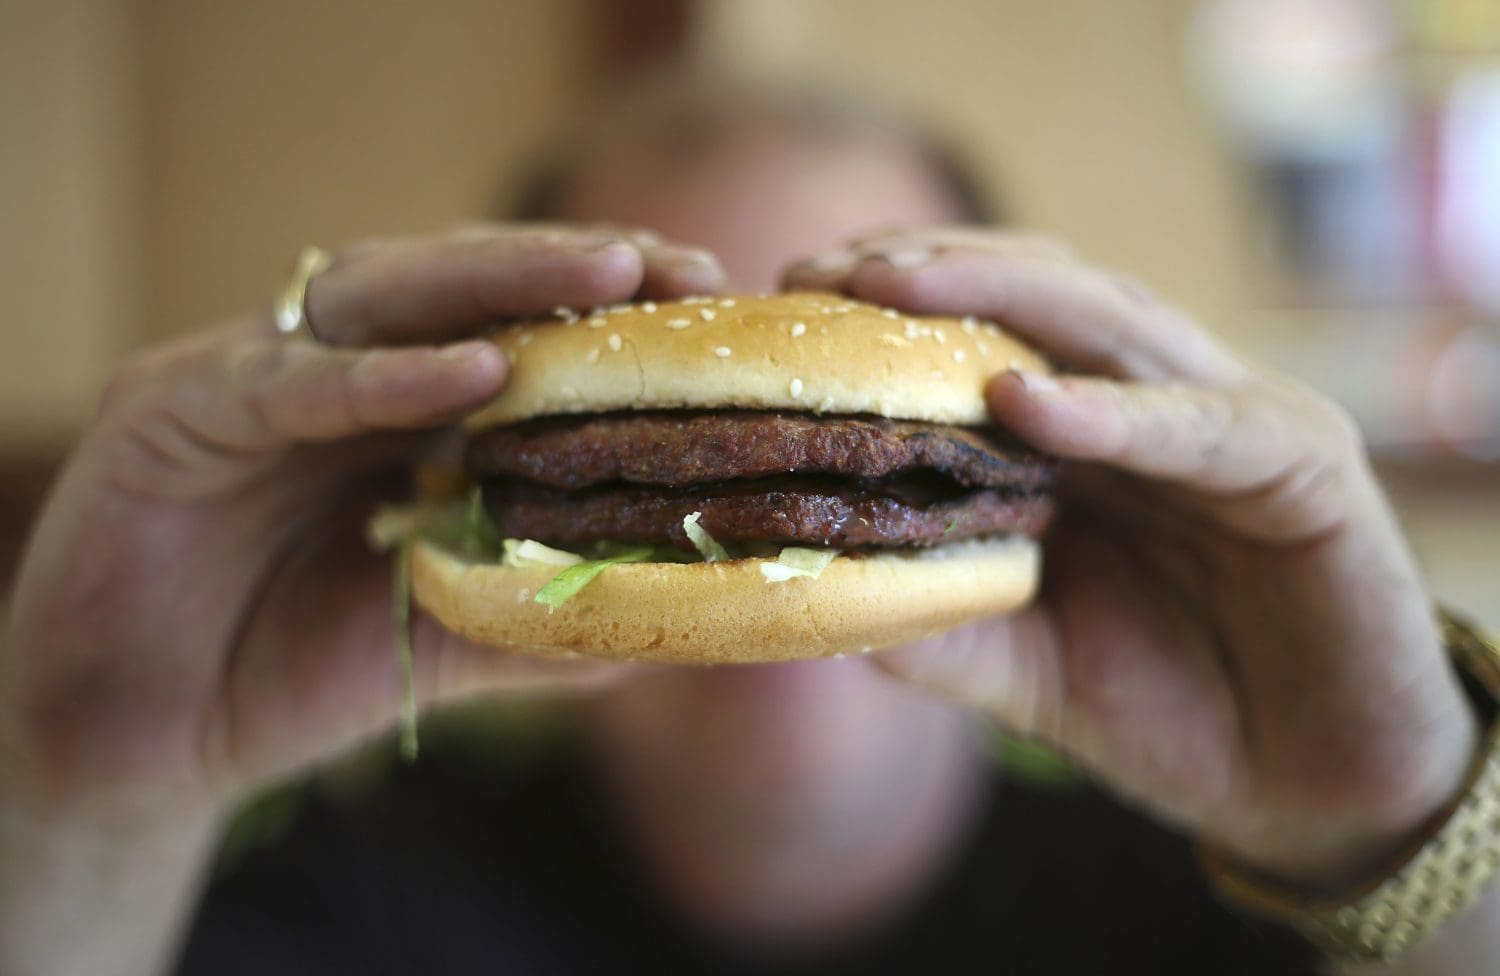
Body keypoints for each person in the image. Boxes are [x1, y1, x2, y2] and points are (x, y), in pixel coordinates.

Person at [2, 75, 1497, 976]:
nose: (759, 342)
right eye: (654, 325)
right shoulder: (359, 896)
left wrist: (1400, 825)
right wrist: (80, 809)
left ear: (1048, 418)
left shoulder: (1212, 898)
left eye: (851, 308)